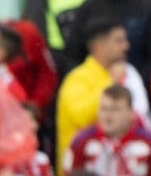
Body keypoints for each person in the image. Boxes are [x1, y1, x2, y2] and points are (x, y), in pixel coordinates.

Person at [57, 15, 137, 163]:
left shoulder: (128, 74)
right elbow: (83, 118)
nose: (126, 46)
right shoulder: (77, 79)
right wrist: (112, 82)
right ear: (99, 45)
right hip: (83, 172)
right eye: (118, 41)